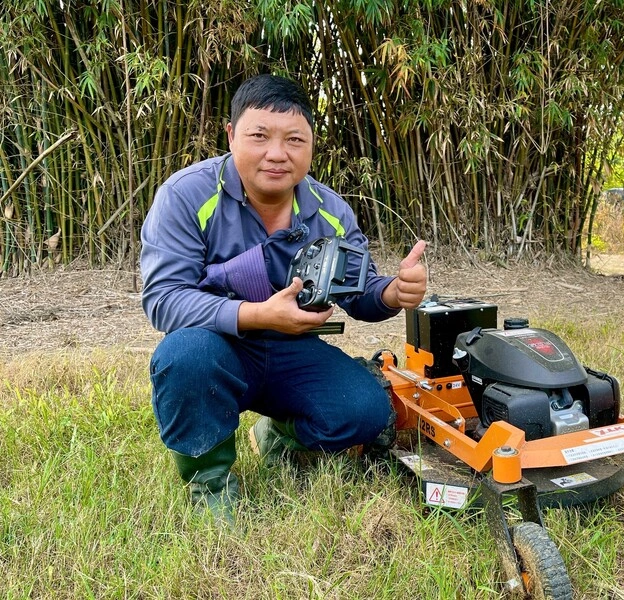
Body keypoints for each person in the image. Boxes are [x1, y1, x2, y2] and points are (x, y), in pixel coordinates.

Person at [140, 74, 427, 524]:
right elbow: (163, 300)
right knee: (184, 357)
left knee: (366, 410)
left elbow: (361, 293)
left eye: (294, 139)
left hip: (293, 352)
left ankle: (276, 434)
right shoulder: (185, 195)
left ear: (311, 146)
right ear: (232, 135)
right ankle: (210, 488)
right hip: (217, 347)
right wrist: (257, 314)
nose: (277, 153)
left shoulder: (331, 211)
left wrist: (392, 292)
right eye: (259, 136)